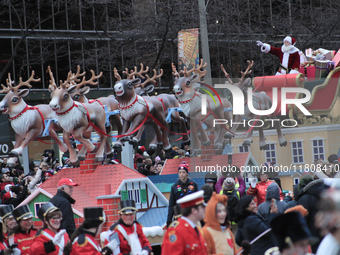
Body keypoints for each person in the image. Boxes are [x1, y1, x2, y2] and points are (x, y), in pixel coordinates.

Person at [162, 190, 208, 255]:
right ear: (194, 210)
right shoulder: (176, 231)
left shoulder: (196, 228)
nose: (205, 209)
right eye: (202, 207)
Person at [296, 176, 328, 252]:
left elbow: (300, 223)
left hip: (310, 241)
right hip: (324, 238)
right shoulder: (323, 195)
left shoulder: (304, 199)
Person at [166, 162, 199, 226]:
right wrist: (169, 219)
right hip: (179, 215)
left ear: (187, 173)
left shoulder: (194, 185)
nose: (181, 174)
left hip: (191, 215)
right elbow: (171, 204)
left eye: (183, 172)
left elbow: (197, 201)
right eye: (180, 172)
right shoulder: (174, 187)